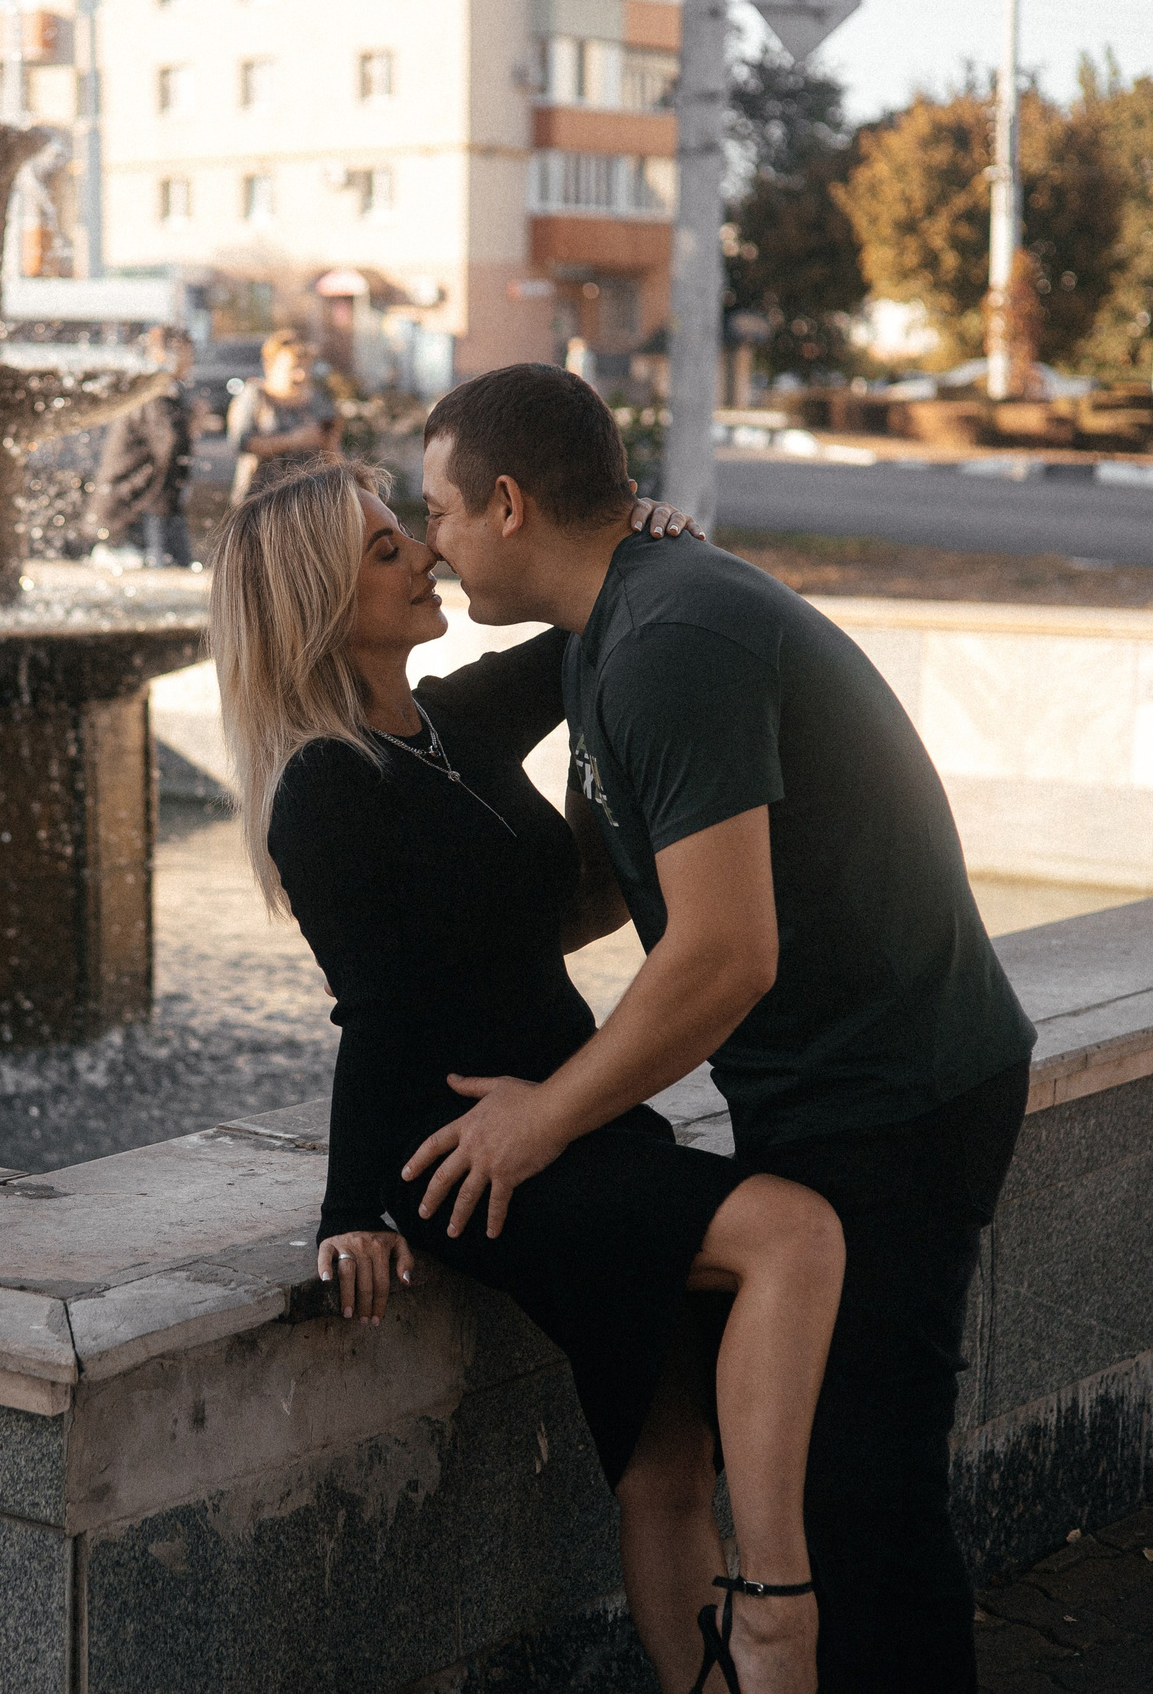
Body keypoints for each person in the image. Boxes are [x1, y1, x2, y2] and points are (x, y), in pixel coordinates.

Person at [408, 364, 1036, 1692]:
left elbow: (721, 955)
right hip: (851, 1087)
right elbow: (613, 884)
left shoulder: (665, 641)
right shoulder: (618, 628)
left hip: (898, 1095)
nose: (435, 544)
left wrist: (540, 1116)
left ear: (509, 504)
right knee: (850, 1485)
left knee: (867, 1505)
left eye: (442, 512)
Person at [210, 457, 846, 1694]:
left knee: (667, 1464)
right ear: (316, 599)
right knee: (793, 1235)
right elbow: (378, 1017)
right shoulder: (325, 789)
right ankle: (777, 1610)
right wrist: (350, 1208)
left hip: (569, 1116)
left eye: (415, 536)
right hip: (476, 1157)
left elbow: (581, 627)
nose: (426, 559)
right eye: (388, 551)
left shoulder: (446, 720)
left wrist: (637, 537)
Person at [87, 325, 206, 569]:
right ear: (165, 355)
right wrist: (191, 426)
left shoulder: (155, 390)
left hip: (143, 502)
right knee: (167, 573)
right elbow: (170, 445)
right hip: (136, 506)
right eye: (186, 352)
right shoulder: (155, 392)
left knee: (174, 572)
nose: (191, 360)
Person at [225, 330, 340, 504]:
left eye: (306, 368)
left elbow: (332, 454)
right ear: (269, 366)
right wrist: (295, 439)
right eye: (294, 367)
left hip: (305, 503)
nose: (301, 375)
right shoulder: (255, 396)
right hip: (260, 503)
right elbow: (241, 442)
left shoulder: (316, 401)